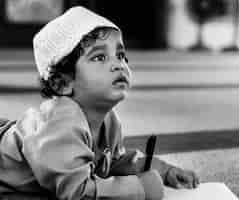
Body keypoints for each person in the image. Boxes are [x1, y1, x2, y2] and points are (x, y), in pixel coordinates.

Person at [0, 6, 199, 200]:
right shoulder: (60, 124)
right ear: (62, 83)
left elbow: (112, 162)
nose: (118, 65)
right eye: (100, 57)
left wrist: (163, 170)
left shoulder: (109, 120)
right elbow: (77, 192)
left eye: (121, 55)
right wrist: (140, 189)